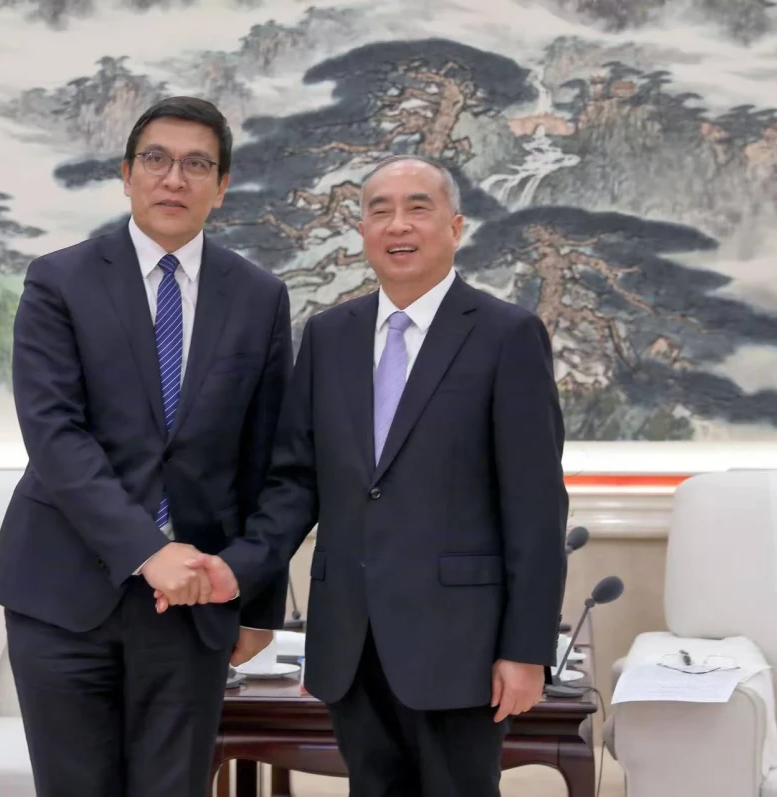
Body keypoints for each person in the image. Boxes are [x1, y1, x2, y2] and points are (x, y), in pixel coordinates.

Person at [166, 154, 569, 796]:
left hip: (460, 644)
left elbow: (537, 508)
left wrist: (526, 650)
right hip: (350, 642)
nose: (397, 224)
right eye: (380, 210)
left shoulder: (506, 335)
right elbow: (295, 483)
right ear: (362, 232)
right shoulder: (330, 336)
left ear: (455, 226)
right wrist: (238, 568)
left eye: (417, 208)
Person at [0, 96, 290, 797]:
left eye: (197, 164)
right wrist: (149, 551)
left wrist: (255, 601)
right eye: (156, 159)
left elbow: (266, 458)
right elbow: (55, 434)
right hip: (63, 592)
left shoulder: (259, 296)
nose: (174, 178)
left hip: (193, 602)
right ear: (126, 175)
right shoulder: (59, 280)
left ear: (222, 186)